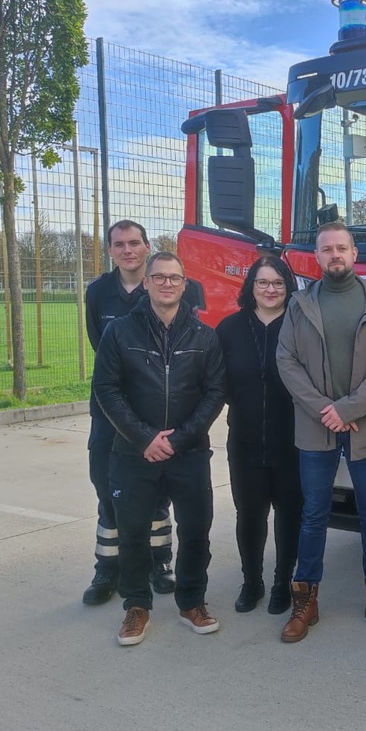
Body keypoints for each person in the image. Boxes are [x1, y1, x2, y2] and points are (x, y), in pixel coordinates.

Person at [275, 221, 366, 643]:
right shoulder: (299, 305)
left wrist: (348, 408)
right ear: (317, 256)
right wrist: (325, 411)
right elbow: (287, 362)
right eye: (326, 249)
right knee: (313, 514)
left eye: (341, 248)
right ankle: (306, 600)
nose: (334, 255)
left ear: (354, 254)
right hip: (316, 428)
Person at [92, 252, 226, 646]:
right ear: (146, 282)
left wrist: (180, 438)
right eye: (160, 277)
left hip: (190, 452)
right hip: (133, 453)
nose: (167, 284)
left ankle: (192, 602)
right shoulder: (120, 332)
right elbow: (106, 389)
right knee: (132, 530)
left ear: (185, 285)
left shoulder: (205, 336)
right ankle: (136, 606)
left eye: (175, 278)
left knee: (197, 530)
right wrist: (144, 438)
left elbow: (215, 391)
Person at [81, 219, 206, 605]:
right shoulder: (99, 292)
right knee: (108, 487)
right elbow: (100, 350)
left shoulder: (180, 289)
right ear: (110, 250)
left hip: (162, 415)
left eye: (134, 243)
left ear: (147, 247)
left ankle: (159, 562)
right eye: (119, 244)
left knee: (158, 494)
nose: (127, 250)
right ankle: (107, 569)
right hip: (113, 414)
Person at [215, 255, 303, 616]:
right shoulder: (229, 328)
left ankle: (283, 582)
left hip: (293, 441)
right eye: (263, 282)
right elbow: (216, 383)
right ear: (251, 287)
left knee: (289, 514)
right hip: (245, 440)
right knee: (249, 515)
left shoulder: (301, 326)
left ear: (288, 287)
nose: (270, 289)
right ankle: (252, 582)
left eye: (278, 283)